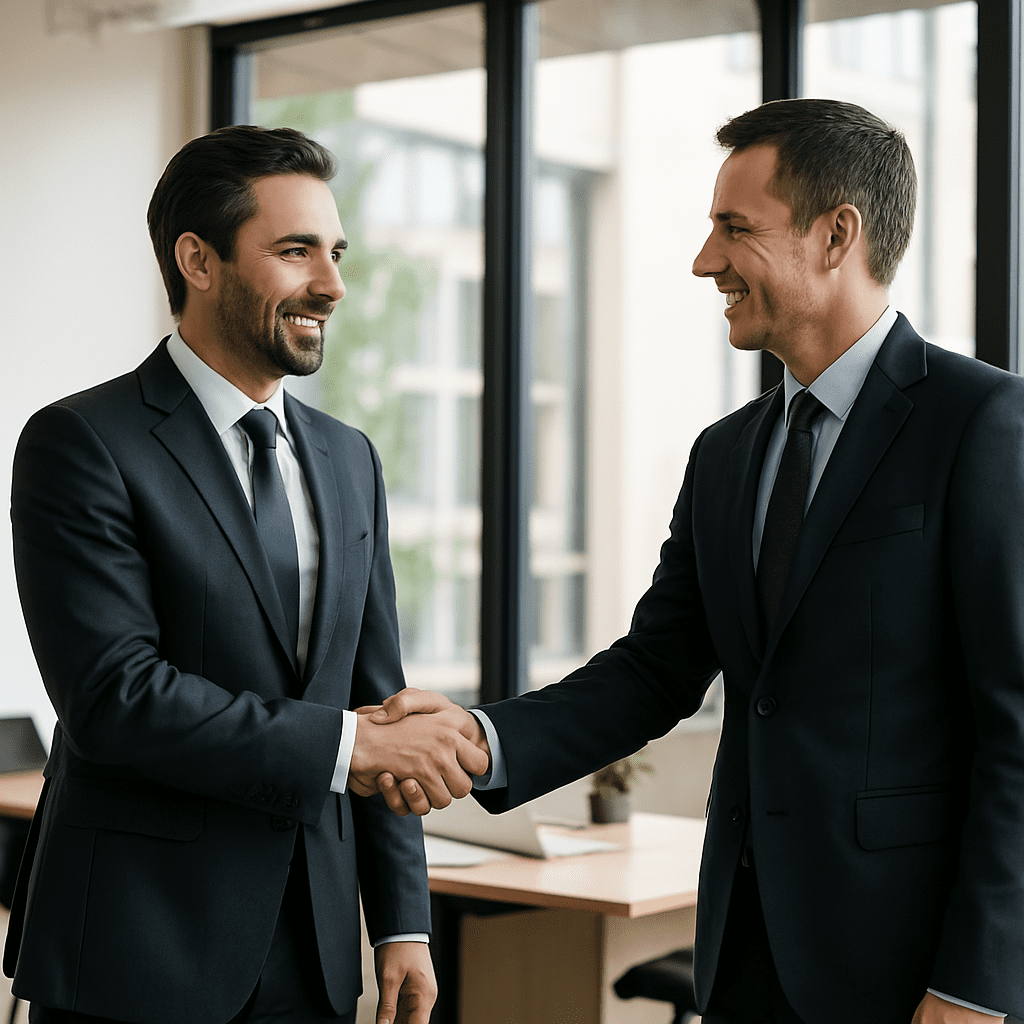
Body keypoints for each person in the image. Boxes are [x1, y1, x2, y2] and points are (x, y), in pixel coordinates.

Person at [368, 99, 1024, 1024]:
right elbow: (654, 670)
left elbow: (1019, 730)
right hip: (746, 955)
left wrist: (976, 985)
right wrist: (481, 741)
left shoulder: (981, 424)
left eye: (734, 228)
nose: (704, 260)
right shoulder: (726, 453)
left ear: (839, 235)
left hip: (914, 967)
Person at [3, 125, 488, 1024]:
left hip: (312, 948)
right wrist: (348, 749)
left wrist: (401, 923)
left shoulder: (351, 460)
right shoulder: (81, 444)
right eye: (295, 250)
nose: (333, 285)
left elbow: (378, 696)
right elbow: (115, 697)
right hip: (136, 945)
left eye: (335, 252)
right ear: (198, 259)